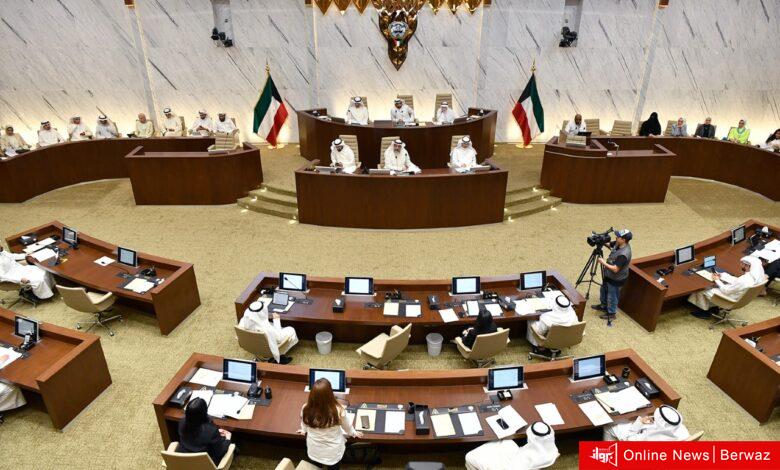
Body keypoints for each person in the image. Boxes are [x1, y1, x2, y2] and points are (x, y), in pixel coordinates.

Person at [298, 378, 362, 469]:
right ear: (330, 394)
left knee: (315, 466)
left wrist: (303, 430)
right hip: (333, 453)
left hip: (314, 451)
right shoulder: (338, 410)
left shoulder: (306, 408)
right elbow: (347, 427)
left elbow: (304, 423)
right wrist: (354, 433)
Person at [465, 421, 559, 470]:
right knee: (508, 442)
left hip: (508, 467)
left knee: (469, 456)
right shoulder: (553, 452)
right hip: (525, 463)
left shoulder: (522, 460)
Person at [688, 256, 765, 312]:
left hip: (729, 299)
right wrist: (722, 275)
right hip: (739, 296)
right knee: (715, 286)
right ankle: (711, 307)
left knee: (703, 289)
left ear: (747, 265)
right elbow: (737, 281)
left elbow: (726, 290)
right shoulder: (756, 276)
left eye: (741, 264)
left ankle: (704, 312)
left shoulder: (744, 280)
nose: (740, 265)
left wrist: (717, 280)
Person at [177, 397, 232, 465]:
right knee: (224, 439)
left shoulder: (181, 422)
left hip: (184, 461)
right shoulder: (211, 431)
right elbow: (219, 452)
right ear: (204, 412)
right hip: (205, 464)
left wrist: (214, 432)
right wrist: (228, 439)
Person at [593, 229, 633, 321]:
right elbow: (610, 245)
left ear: (623, 240)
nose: (616, 237)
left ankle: (611, 313)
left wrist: (603, 262)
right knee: (603, 290)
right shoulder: (618, 243)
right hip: (608, 275)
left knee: (612, 296)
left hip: (616, 278)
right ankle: (603, 306)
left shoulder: (624, 254)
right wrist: (601, 241)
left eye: (618, 236)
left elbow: (615, 269)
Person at [604, 405, 689, 441]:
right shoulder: (684, 432)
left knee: (608, 427)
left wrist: (639, 423)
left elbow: (628, 439)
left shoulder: (649, 438)